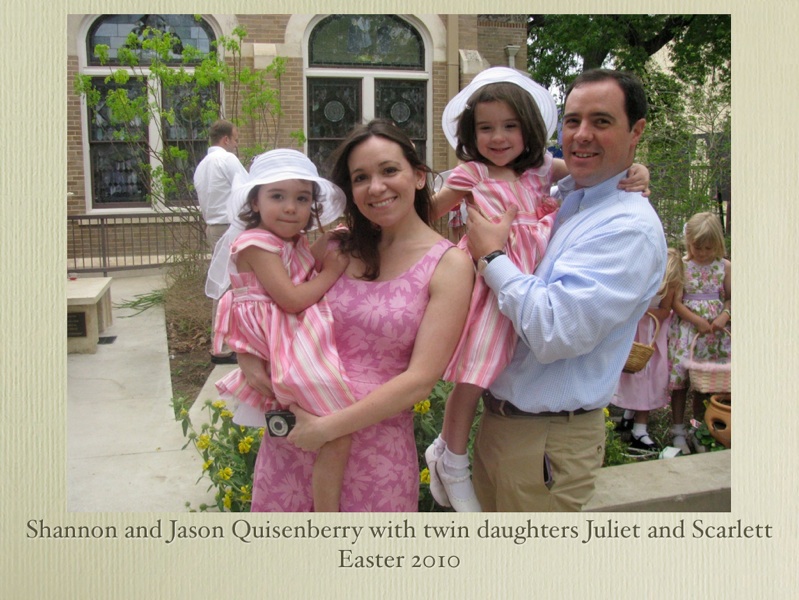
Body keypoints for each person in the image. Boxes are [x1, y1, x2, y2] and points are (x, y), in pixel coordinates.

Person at [424, 66, 651, 511]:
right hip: (503, 401)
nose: (498, 137)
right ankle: (450, 454)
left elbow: (554, 330)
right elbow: (427, 211)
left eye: (602, 121)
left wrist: (636, 169)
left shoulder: (617, 220)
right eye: (574, 121)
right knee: (475, 370)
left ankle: (449, 457)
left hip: (547, 440)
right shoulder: (535, 190)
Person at [237, 120, 474, 512]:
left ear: (418, 177)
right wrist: (245, 355)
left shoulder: (448, 265)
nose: (375, 187)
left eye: (389, 170)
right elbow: (261, 296)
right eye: (360, 177)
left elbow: (420, 380)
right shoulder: (336, 246)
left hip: (374, 454)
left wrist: (326, 428)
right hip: (294, 439)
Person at [206, 148, 357, 511]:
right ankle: (328, 515)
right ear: (254, 202)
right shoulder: (256, 244)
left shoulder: (287, 241)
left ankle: (300, 418)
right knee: (337, 432)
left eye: (302, 199)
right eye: (277, 196)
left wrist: (334, 239)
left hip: (284, 341)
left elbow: (302, 266)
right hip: (280, 344)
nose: (291, 207)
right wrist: (332, 271)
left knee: (333, 432)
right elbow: (291, 298)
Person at [667, 212, 731, 455]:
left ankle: (698, 428)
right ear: (688, 242)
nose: (702, 253)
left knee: (704, 383)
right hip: (687, 333)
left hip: (714, 335)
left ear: (717, 244)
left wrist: (724, 315)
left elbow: (731, 297)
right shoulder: (683, 266)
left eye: (708, 248)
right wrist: (697, 320)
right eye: (697, 247)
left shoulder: (724, 267)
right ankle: (677, 430)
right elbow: (676, 302)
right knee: (681, 382)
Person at [613, 247, 682, 454]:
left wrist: (644, 311)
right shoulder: (640, 276)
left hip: (651, 334)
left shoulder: (668, 286)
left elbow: (664, 311)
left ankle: (639, 428)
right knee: (633, 374)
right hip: (634, 331)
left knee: (646, 379)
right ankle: (631, 418)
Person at [195, 119, 248, 364]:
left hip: (213, 227)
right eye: (235, 139)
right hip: (229, 229)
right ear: (225, 139)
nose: (236, 144)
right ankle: (222, 348)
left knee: (223, 284)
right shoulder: (227, 160)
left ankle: (227, 342)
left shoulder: (202, 165)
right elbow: (247, 190)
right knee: (227, 288)